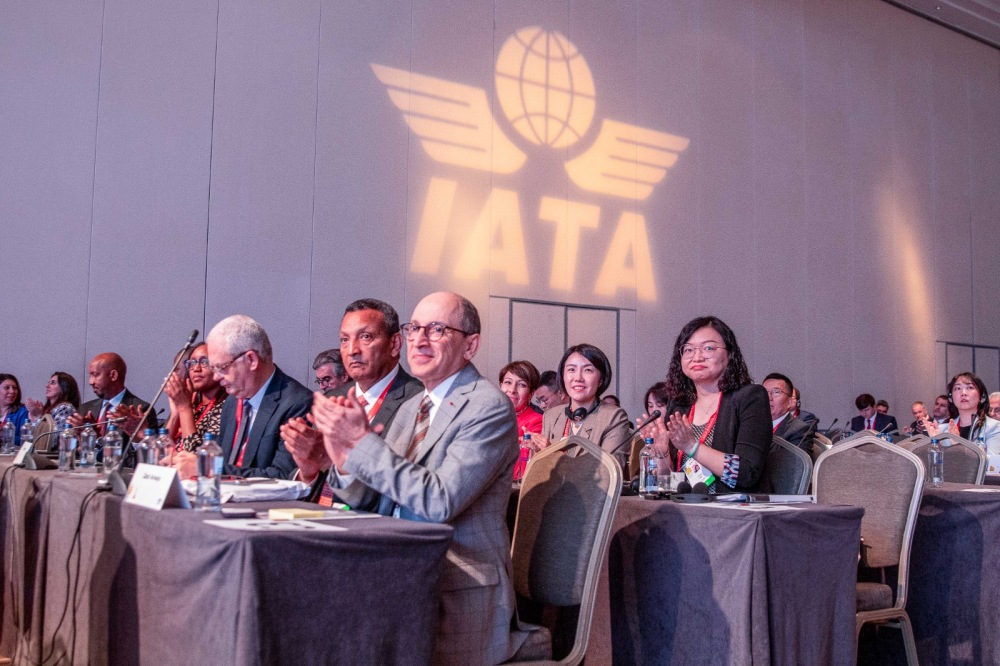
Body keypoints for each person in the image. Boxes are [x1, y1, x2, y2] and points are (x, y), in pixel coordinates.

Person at [312, 291, 536, 665]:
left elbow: (438, 502)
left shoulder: (488, 407)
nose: (419, 339)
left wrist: (362, 443)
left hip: (453, 582)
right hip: (401, 570)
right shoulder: (414, 406)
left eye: (436, 329)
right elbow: (368, 499)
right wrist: (345, 459)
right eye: (414, 328)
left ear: (471, 345)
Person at [281, 298, 423, 501]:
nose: (352, 350)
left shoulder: (417, 400)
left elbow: (403, 489)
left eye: (365, 337)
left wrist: (331, 461)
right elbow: (311, 483)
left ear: (394, 344)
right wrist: (308, 472)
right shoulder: (331, 399)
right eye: (344, 340)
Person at [172, 315, 312, 479]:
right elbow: (223, 460)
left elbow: (282, 476)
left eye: (221, 368)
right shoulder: (232, 402)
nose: (216, 377)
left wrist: (208, 468)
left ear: (251, 360)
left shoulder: (297, 404)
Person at [643, 316, 770, 493]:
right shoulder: (680, 405)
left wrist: (692, 447)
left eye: (708, 348)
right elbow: (673, 482)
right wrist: (663, 454)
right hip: (687, 507)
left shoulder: (750, 398)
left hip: (733, 511)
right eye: (688, 350)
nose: (697, 357)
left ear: (730, 354)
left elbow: (746, 473)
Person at [533, 344, 630, 468]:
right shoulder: (551, 416)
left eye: (587, 370)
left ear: (601, 379)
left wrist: (551, 455)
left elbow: (607, 473)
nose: (578, 378)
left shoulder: (613, 417)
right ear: (562, 376)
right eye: (571, 370)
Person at [70, 353, 156, 446]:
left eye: (95, 375)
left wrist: (137, 437)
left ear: (113, 375)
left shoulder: (140, 410)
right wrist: (83, 440)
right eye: (90, 376)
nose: (90, 382)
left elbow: (146, 453)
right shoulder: (84, 409)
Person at [163, 342, 226, 452]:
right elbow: (158, 454)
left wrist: (184, 408)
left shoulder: (226, 406)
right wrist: (175, 414)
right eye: (192, 363)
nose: (196, 368)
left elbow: (195, 457)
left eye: (204, 362)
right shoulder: (193, 403)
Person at [924, 372, 1000, 452]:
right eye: (958, 388)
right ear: (951, 398)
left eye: (970, 387)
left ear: (981, 396)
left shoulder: (994, 428)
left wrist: (957, 444)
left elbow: (992, 463)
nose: (963, 393)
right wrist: (937, 444)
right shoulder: (942, 430)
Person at [762, 373, 815, 453]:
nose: (769, 397)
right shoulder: (751, 425)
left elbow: (795, 464)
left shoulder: (799, 430)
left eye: (776, 392)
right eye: (764, 392)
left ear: (789, 402)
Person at [498, 360, 544, 436]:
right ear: (501, 385)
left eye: (521, 385)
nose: (512, 390)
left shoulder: (537, 421)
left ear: (531, 393)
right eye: (508, 382)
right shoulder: (489, 414)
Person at [0, 374, 30, 446]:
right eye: (7, 388)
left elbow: (26, 440)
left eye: (15, 388)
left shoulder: (23, 411)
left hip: (11, 454)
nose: (12, 391)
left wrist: (3, 435)